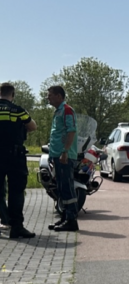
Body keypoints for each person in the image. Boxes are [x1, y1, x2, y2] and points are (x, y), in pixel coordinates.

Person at [0, 83, 37, 238]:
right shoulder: (18, 111)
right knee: (16, 192)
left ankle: (4, 218)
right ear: (12, 94)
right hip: (14, 156)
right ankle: (16, 227)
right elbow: (33, 126)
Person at [46, 85, 79, 232]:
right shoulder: (58, 111)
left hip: (64, 156)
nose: (48, 97)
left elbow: (71, 131)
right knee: (60, 187)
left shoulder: (66, 110)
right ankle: (65, 217)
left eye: (50, 95)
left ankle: (71, 220)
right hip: (57, 155)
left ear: (59, 96)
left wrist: (65, 151)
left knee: (67, 187)